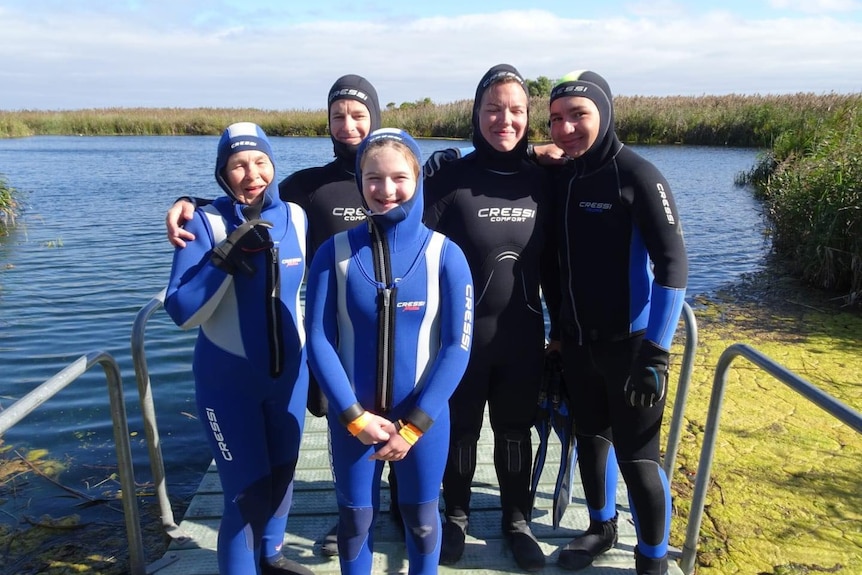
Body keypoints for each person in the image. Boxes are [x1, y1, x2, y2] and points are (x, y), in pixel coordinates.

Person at [304, 128, 474, 574]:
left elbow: (457, 347)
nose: (386, 189)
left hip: (421, 421)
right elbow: (319, 339)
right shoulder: (333, 253)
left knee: (421, 522)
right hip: (355, 421)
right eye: (373, 178)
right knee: (356, 522)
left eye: (399, 177)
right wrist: (354, 417)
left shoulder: (446, 255)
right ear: (359, 181)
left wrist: (413, 428)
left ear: (418, 178)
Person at [545, 70, 688, 575]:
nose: (566, 129)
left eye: (579, 115)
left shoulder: (638, 175)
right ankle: (601, 527)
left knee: (638, 461)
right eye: (556, 119)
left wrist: (657, 351)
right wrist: (559, 338)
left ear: (604, 113)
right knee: (590, 441)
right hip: (581, 345)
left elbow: (673, 265)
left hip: (632, 349)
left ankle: (652, 560)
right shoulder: (566, 176)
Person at [423, 63, 557, 572]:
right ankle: (455, 515)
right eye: (494, 108)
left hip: (523, 336)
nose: (505, 119)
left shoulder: (544, 179)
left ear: (528, 116)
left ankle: (516, 520)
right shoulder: (450, 179)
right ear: (476, 113)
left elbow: (562, 265)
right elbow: (403, 239)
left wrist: (564, 329)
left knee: (514, 430)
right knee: (460, 430)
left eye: (517, 110)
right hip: (460, 339)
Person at [164, 122, 314, 575]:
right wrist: (225, 257)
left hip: (290, 378)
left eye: (261, 161)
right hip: (229, 384)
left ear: (273, 164)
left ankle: (271, 557)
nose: (252, 173)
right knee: (246, 495)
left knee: (283, 477)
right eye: (238, 165)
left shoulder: (298, 217)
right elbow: (181, 310)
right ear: (223, 173)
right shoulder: (203, 222)